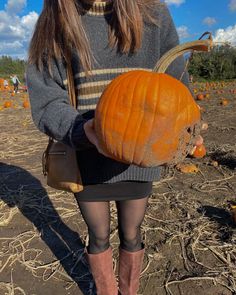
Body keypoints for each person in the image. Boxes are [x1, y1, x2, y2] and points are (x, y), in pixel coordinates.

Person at [26, 1, 203, 294]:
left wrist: (188, 125)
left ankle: (128, 290)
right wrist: (78, 128)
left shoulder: (153, 13)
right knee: (98, 236)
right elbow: (47, 98)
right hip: (87, 157)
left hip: (142, 155)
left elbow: (177, 84)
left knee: (131, 235)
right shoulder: (57, 19)